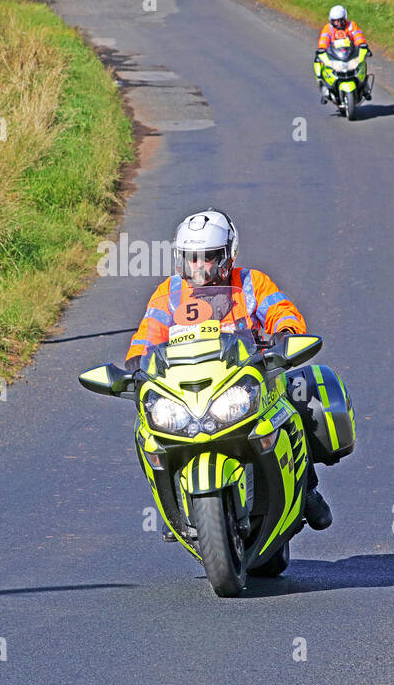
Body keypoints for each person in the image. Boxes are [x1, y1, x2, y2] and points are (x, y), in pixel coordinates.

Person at [124, 209, 332, 529]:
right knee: (146, 428)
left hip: (247, 377)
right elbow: (149, 333)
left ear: (228, 255)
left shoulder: (251, 283)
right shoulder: (170, 293)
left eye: (208, 257)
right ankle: (172, 501)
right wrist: (137, 360)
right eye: (191, 258)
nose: (199, 266)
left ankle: (307, 489)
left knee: (294, 402)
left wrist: (285, 332)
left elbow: (282, 311)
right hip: (189, 387)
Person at [314, 4, 371, 104]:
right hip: (335, 56)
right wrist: (322, 48)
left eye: (340, 20)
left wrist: (362, 44)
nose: (338, 23)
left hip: (350, 54)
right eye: (335, 20)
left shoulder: (351, 25)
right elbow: (324, 38)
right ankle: (324, 89)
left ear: (344, 18)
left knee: (362, 61)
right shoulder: (329, 28)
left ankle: (365, 87)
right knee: (318, 63)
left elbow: (357, 35)